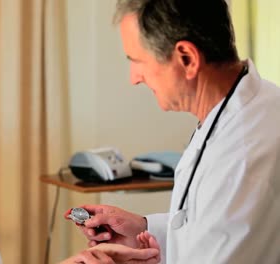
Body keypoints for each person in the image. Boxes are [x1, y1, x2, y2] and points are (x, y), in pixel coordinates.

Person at [64, 0, 280, 263]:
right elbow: (212, 227)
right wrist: (143, 229)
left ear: (187, 59)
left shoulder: (243, 157)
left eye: (137, 60)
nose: (134, 77)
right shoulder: (243, 110)